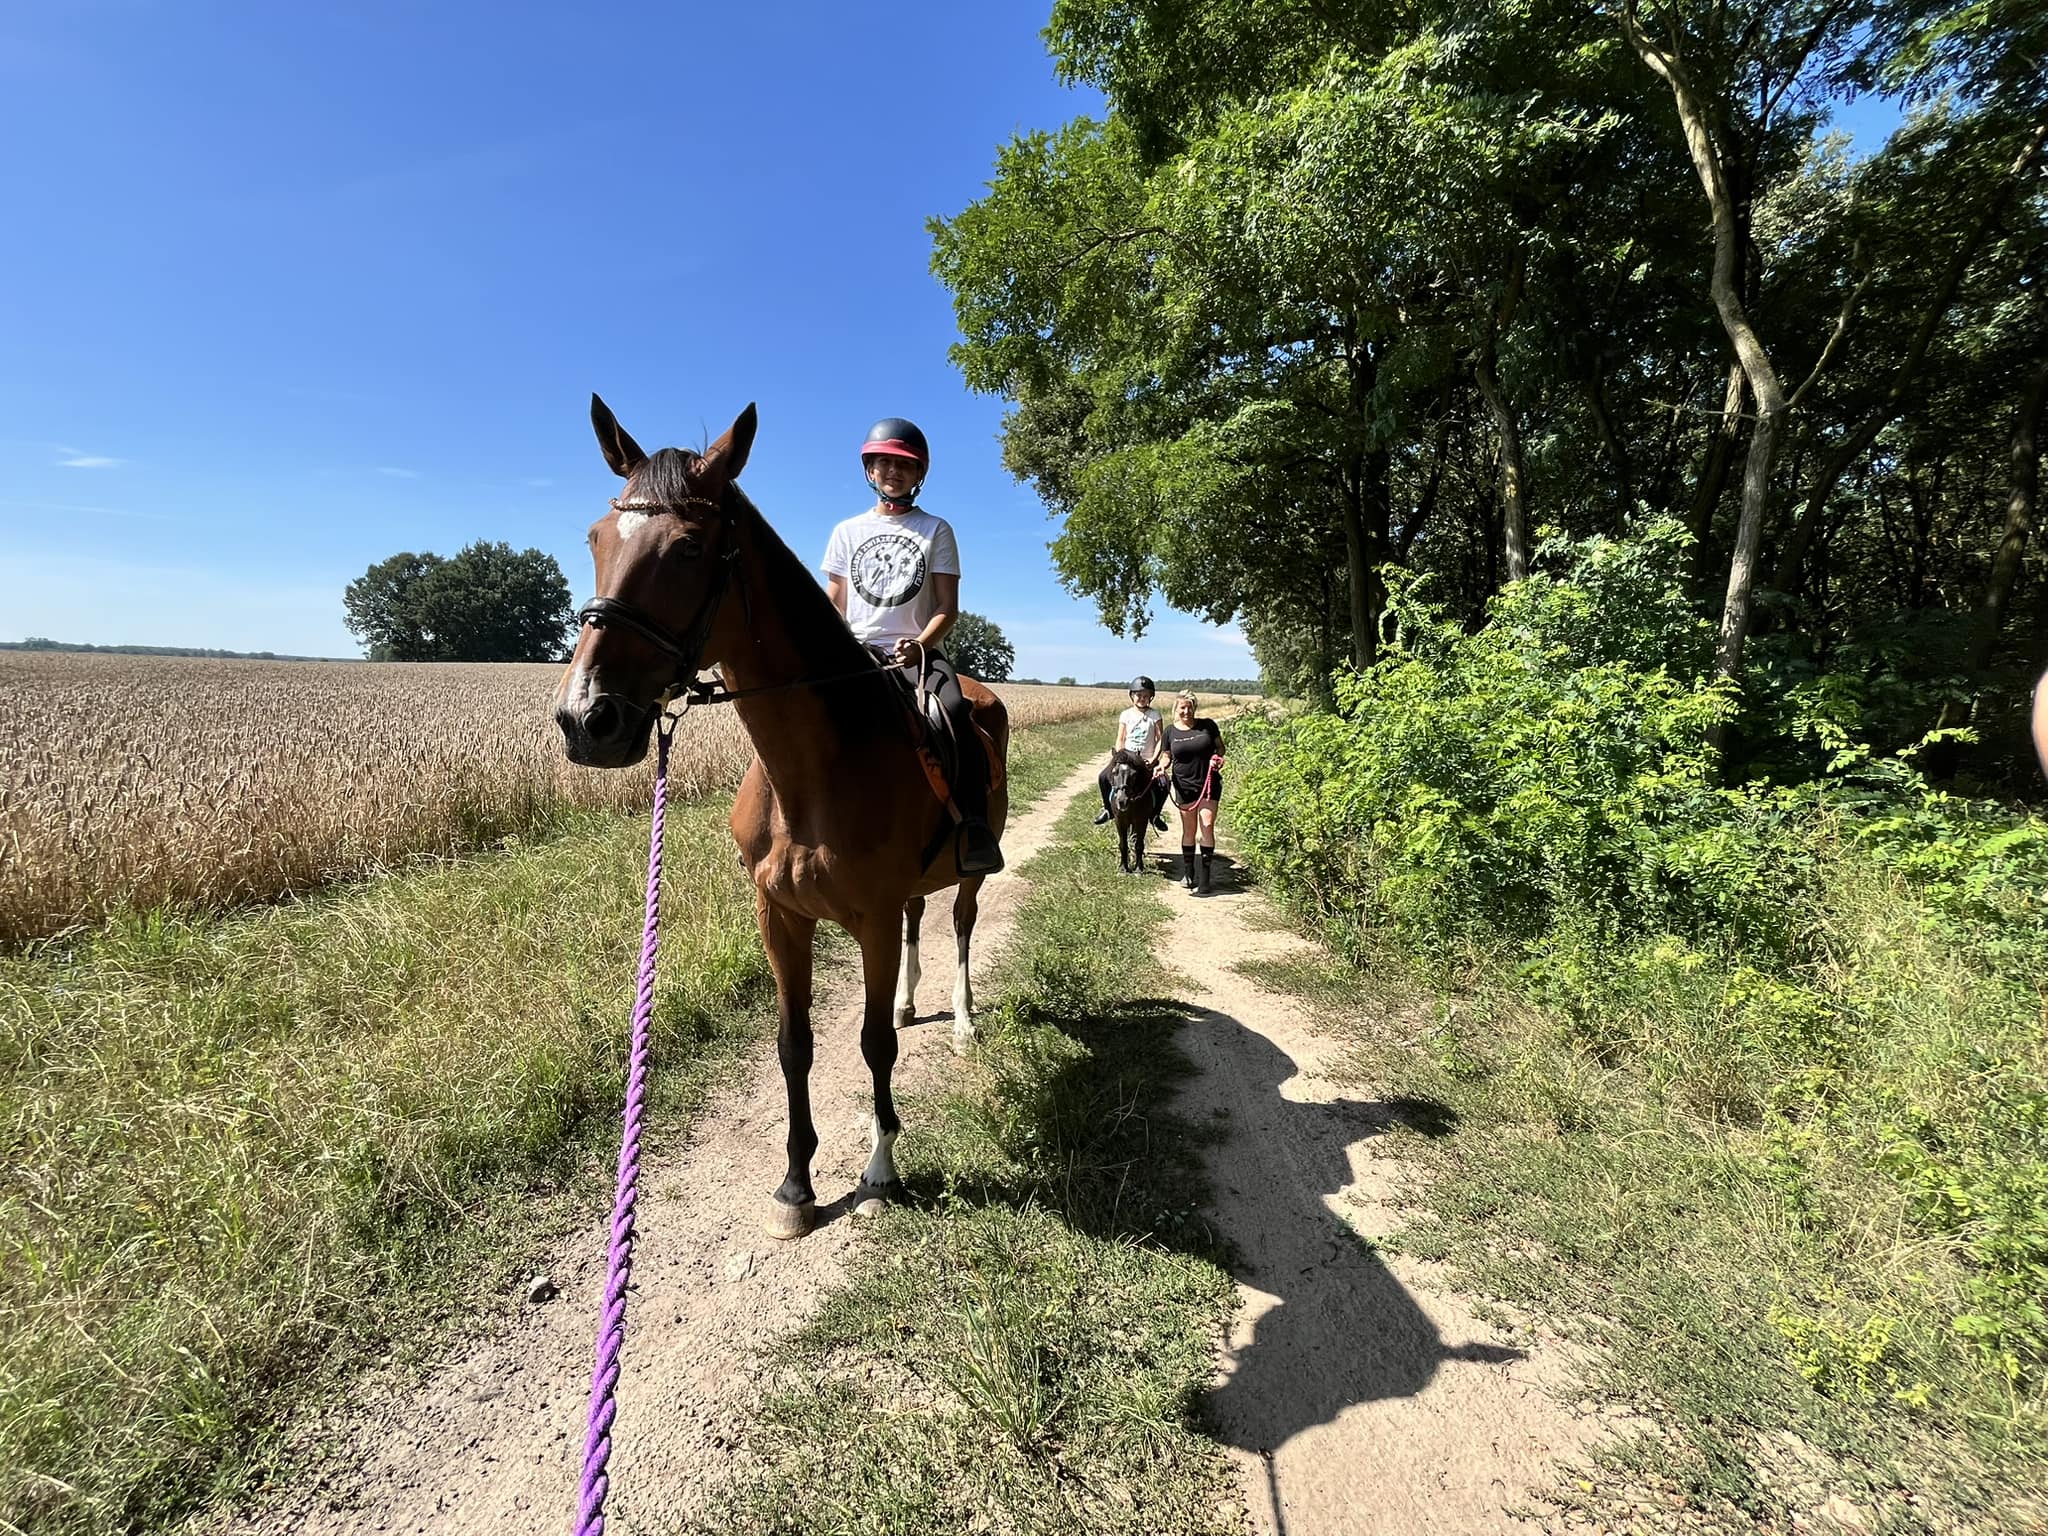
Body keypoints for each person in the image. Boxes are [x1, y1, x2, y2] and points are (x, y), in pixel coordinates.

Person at [823, 417, 1003, 875]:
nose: (893, 472)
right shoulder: (846, 531)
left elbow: (947, 607)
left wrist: (920, 645)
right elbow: (836, 604)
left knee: (957, 715)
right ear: (870, 470)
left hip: (919, 657)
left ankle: (974, 829)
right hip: (855, 656)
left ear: (919, 473)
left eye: (904, 464)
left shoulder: (936, 530)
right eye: (884, 462)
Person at [1162, 689, 1225, 890]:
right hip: (1183, 785)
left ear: (1195, 708)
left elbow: (1220, 748)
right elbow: (1166, 755)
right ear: (1176, 709)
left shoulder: (1208, 726)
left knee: (1207, 825)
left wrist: (1218, 759)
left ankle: (1205, 876)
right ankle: (1189, 872)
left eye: (1190, 707)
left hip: (1208, 783)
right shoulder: (1170, 731)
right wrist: (1161, 766)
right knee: (1189, 830)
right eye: (1182, 708)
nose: (1186, 711)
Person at [1093, 675, 1171, 830]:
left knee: (1164, 783)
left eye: (1146, 695)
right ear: (1132, 696)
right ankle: (1108, 810)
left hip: (1147, 759)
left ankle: (1155, 814)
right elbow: (1121, 738)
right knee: (1103, 777)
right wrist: (1120, 756)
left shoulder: (1154, 715)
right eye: (1138, 695)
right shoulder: (1126, 715)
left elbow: (1159, 740)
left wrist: (1154, 759)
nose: (1142, 698)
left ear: (1151, 697)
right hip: (1126, 759)